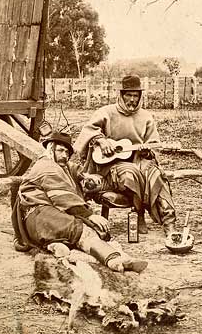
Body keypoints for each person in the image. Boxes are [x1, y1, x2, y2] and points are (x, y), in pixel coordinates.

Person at [11, 131, 148, 273]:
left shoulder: (60, 165)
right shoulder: (47, 167)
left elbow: (74, 170)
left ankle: (55, 244)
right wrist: (89, 215)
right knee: (81, 229)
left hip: (39, 220)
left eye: (66, 152)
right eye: (60, 150)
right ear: (51, 149)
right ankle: (114, 260)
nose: (64, 155)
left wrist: (86, 176)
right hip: (40, 214)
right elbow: (63, 197)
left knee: (75, 231)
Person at [73, 74, 176, 237]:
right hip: (110, 165)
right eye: (128, 95)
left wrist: (147, 151)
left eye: (136, 96)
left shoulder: (146, 117)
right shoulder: (106, 112)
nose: (132, 100)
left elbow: (153, 143)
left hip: (139, 160)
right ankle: (139, 213)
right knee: (130, 174)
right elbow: (87, 131)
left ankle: (169, 224)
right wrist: (101, 140)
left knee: (156, 175)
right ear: (121, 95)